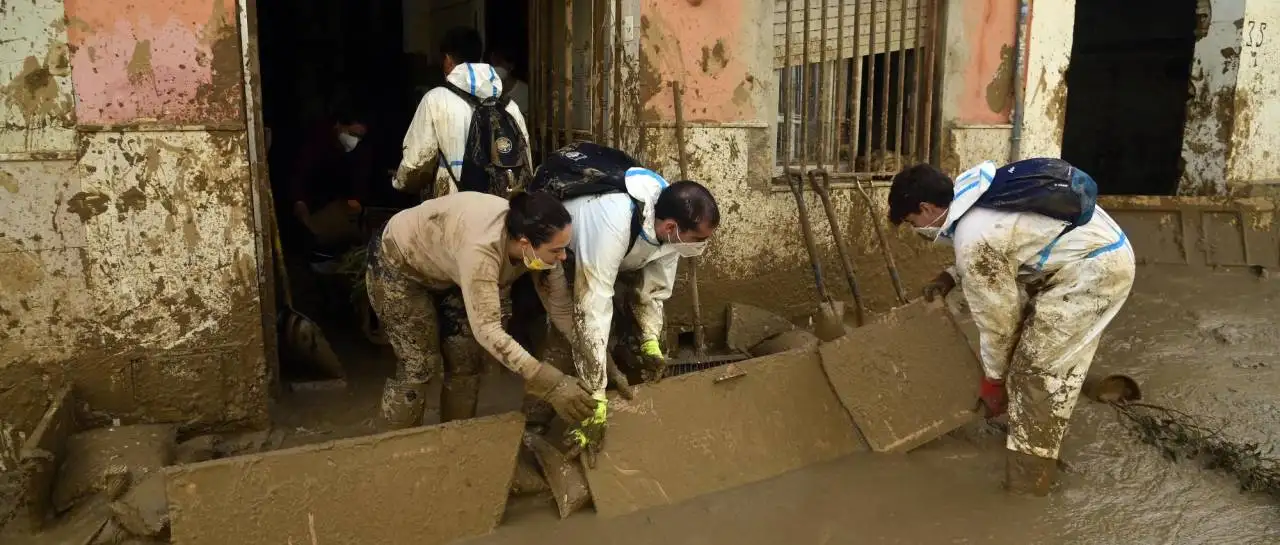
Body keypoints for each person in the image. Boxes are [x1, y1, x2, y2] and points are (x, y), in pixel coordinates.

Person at [887, 160, 1136, 496]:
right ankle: (1060, 406)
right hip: (1087, 251)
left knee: (1035, 374)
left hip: (1092, 272)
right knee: (1035, 355)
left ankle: (1027, 484)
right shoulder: (970, 189)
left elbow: (998, 325)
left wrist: (994, 381)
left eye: (912, 221)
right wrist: (951, 275)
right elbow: (1006, 241)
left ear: (926, 208)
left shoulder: (974, 239)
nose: (916, 229)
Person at [518, 142, 721, 465]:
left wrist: (650, 342)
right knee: (566, 332)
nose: (701, 247)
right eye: (699, 240)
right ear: (672, 228)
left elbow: (653, 292)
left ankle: (626, 415)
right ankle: (535, 427)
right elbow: (591, 309)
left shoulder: (671, 231)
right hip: (564, 254)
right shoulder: (613, 217)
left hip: (619, 257)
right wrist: (595, 395)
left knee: (630, 334)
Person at [365, 190, 597, 429]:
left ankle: (456, 439)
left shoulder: (538, 245)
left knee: (465, 361)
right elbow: (487, 330)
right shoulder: (482, 249)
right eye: (555, 250)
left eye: (563, 248)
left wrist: (595, 355)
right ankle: (392, 449)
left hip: (450, 269)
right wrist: (550, 383)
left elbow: (560, 309)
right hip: (400, 263)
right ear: (525, 244)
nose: (562, 257)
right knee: (419, 365)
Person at [392, 26, 531, 201]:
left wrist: (400, 183)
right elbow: (526, 162)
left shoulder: (436, 99)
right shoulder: (509, 106)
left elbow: (416, 163)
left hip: (452, 209)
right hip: (500, 211)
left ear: (448, 59)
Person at [287, 109, 373, 249]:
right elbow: (299, 175)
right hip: (311, 203)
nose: (354, 141)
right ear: (338, 125)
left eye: (359, 137)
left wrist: (356, 204)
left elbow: (358, 184)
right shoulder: (315, 141)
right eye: (352, 134)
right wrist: (299, 202)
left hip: (337, 205)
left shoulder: (360, 152)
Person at [488, 46, 529, 113]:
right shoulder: (486, 89)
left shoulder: (525, 92)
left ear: (511, 66)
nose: (494, 67)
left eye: (499, 63)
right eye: (492, 63)